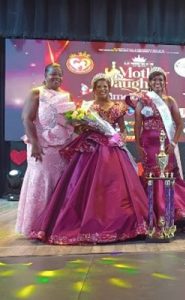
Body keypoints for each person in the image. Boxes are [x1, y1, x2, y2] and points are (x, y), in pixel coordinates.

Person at [29, 73, 148, 244]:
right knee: (86, 186)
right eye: (99, 87)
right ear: (94, 90)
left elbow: (123, 129)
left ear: (109, 88)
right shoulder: (86, 107)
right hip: (91, 148)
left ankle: (123, 224)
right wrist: (87, 128)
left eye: (105, 86)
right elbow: (78, 129)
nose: (103, 89)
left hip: (113, 149)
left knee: (117, 187)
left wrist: (119, 137)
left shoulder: (117, 107)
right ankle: (86, 222)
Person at [134, 66, 185, 233]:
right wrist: (138, 146)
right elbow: (137, 125)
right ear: (149, 83)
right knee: (151, 178)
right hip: (148, 146)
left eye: (160, 79)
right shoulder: (142, 101)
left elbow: (180, 124)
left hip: (165, 146)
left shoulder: (169, 101)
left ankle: (169, 216)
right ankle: (153, 218)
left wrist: (173, 144)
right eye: (154, 79)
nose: (157, 82)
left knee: (167, 177)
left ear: (164, 82)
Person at [16, 63, 75, 236]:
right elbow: (26, 119)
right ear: (45, 75)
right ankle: (36, 226)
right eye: (53, 75)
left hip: (61, 147)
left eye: (59, 75)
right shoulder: (36, 93)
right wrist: (34, 143)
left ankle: (54, 224)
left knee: (59, 183)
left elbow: (68, 122)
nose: (56, 78)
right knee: (41, 181)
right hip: (41, 146)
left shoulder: (66, 95)